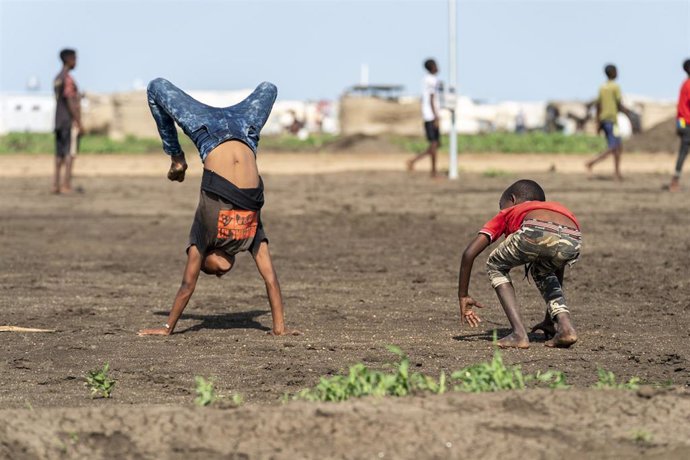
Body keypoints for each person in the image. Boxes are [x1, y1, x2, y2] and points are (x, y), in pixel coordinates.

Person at [138, 78, 298, 337]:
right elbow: (270, 279)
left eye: (208, 272)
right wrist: (279, 328)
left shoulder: (201, 237)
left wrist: (167, 328)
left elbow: (187, 285)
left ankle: (176, 158)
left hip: (206, 133)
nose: (219, 275)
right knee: (269, 88)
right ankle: (177, 156)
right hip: (246, 132)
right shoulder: (249, 237)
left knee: (156, 87)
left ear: (203, 258)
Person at [457, 179, 581, 349]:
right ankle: (565, 328)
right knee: (544, 271)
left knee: (495, 265)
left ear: (512, 200)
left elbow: (469, 253)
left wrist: (463, 295)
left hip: (534, 229)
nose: (502, 210)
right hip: (573, 234)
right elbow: (557, 272)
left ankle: (518, 334)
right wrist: (549, 320)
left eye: (502, 205)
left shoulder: (511, 211)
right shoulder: (556, 209)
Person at [585, 64, 631, 181]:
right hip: (611, 120)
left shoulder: (602, 87)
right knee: (613, 147)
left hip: (604, 120)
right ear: (613, 73)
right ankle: (591, 162)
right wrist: (628, 112)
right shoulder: (615, 87)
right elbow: (618, 104)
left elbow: (598, 105)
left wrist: (598, 122)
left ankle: (617, 173)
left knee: (618, 147)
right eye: (616, 71)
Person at [53, 48, 82, 194]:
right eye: (75, 58)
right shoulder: (68, 79)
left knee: (59, 154)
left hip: (58, 120)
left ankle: (55, 185)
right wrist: (78, 121)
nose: (76, 61)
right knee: (70, 153)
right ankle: (66, 185)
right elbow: (70, 101)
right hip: (68, 121)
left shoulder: (57, 77)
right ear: (69, 59)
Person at [407, 58, 442, 177]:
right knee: (434, 144)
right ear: (431, 67)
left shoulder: (425, 79)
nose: (438, 67)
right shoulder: (432, 80)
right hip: (431, 116)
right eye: (435, 65)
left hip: (428, 115)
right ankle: (431, 171)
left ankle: (416, 162)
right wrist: (436, 116)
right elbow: (432, 98)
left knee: (436, 144)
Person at [666, 58, 690, 192]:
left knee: (683, 151)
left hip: (682, 122)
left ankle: (675, 180)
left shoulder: (684, 84)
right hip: (687, 123)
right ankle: (674, 182)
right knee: (683, 152)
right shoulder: (689, 84)